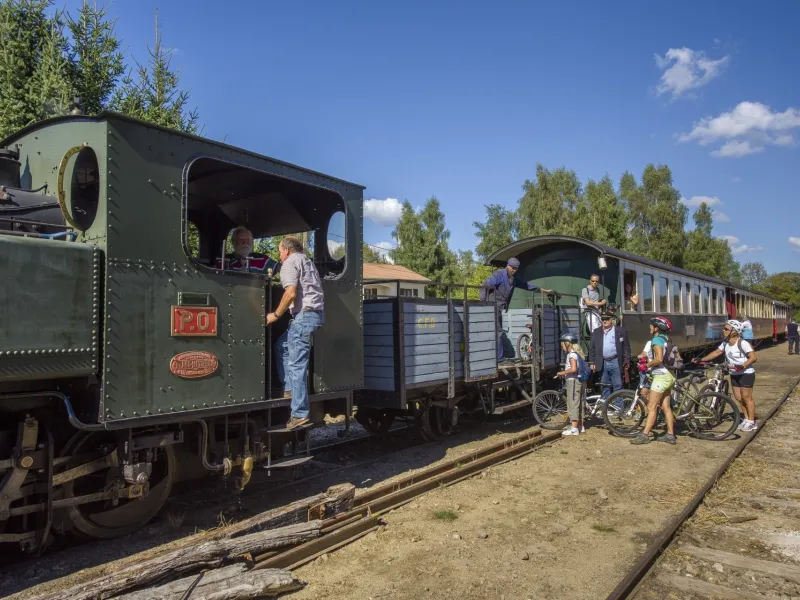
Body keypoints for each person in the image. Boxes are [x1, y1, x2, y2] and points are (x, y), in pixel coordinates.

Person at [266, 236, 325, 430]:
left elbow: (290, 293)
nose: (279, 255)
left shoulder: (290, 263)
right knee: (281, 346)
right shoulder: (307, 262)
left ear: (286, 250)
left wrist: (275, 314)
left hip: (303, 316)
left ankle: (299, 413)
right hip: (313, 315)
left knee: (297, 364)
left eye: (279, 251)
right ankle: (290, 389)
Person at [480, 257, 552, 362]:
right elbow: (485, 286)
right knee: (498, 332)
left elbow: (527, 285)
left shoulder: (515, 279)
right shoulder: (498, 275)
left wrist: (544, 291)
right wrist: (483, 303)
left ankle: (496, 357)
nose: (514, 270)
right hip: (491, 306)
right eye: (512, 268)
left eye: (516, 268)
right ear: (507, 266)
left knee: (497, 331)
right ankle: (499, 359)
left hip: (500, 308)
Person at [697, 320, 758, 432]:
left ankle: (752, 421)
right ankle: (746, 419)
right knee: (739, 398)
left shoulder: (743, 343)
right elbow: (717, 352)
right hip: (734, 373)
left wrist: (742, 366)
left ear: (734, 331)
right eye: (724, 328)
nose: (723, 330)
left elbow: (753, 357)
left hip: (746, 373)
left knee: (746, 397)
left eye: (726, 329)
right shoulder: (725, 343)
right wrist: (701, 359)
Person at [630, 316, 677, 445]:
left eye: (651, 326)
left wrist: (646, 365)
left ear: (657, 328)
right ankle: (670, 435)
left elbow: (659, 359)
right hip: (669, 375)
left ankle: (645, 435)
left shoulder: (656, 340)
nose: (649, 327)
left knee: (651, 406)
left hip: (661, 377)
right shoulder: (666, 339)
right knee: (666, 406)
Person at [588, 312, 631, 405]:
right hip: (603, 362)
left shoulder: (620, 331)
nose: (604, 321)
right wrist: (591, 362)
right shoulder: (596, 332)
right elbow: (592, 348)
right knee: (604, 385)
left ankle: (618, 407)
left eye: (607, 319)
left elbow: (626, 347)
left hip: (615, 361)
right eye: (603, 319)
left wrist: (627, 360)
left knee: (618, 385)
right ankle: (605, 407)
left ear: (612, 320)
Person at [216, 226, 280, 274]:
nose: (245, 243)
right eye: (241, 240)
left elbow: (281, 268)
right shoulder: (223, 261)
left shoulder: (261, 259)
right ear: (234, 242)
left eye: (248, 240)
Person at [555, 333, 584, 436]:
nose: (561, 347)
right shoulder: (577, 353)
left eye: (562, 344)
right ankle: (580, 426)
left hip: (573, 381)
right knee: (578, 403)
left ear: (567, 344)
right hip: (577, 380)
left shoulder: (571, 355)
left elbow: (573, 369)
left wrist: (562, 373)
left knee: (573, 404)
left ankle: (574, 429)